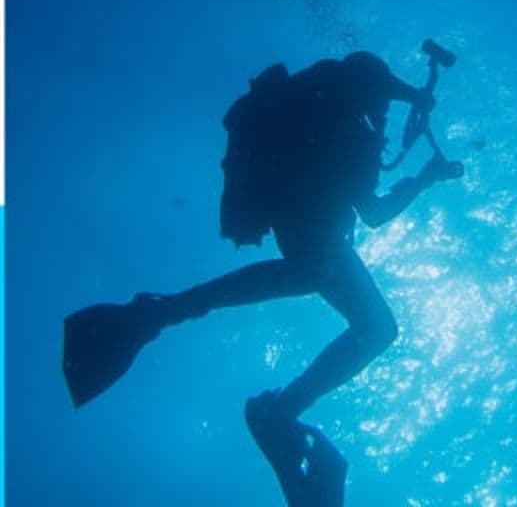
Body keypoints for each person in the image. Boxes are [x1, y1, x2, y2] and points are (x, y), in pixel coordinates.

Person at [62, 51, 461, 476]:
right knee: (376, 326)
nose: (384, 111)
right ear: (371, 93)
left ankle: (161, 313)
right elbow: (375, 213)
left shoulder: (320, 105)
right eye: (383, 101)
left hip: (296, 226)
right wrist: (423, 179)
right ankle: (277, 407)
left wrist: (409, 100)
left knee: (312, 278)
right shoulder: (352, 130)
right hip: (318, 237)